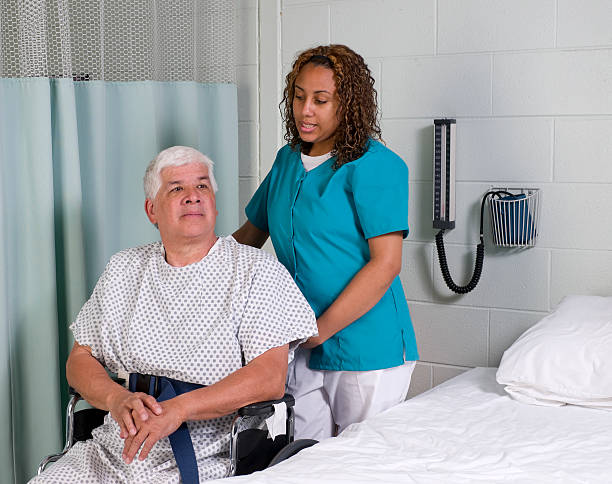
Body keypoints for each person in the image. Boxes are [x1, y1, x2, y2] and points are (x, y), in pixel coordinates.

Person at [32, 146, 318, 483]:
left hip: (209, 452)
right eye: (177, 188)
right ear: (151, 210)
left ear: (214, 202)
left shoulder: (255, 271)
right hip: (114, 448)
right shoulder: (124, 268)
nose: (193, 197)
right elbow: (80, 358)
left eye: (202, 186)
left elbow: (269, 378)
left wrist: (178, 409)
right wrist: (116, 398)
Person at [233, 44, 419, 440]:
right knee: (297, 460)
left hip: (365, 349)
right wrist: (188, 267)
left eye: (321, 100)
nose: (305, 110)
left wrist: (320, 329)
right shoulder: (287, 161)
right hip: (299, 344)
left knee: (362, 466)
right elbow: (247, 239)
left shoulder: (376, 165)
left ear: (348, 104)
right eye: (299, 96)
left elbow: (386, 264)